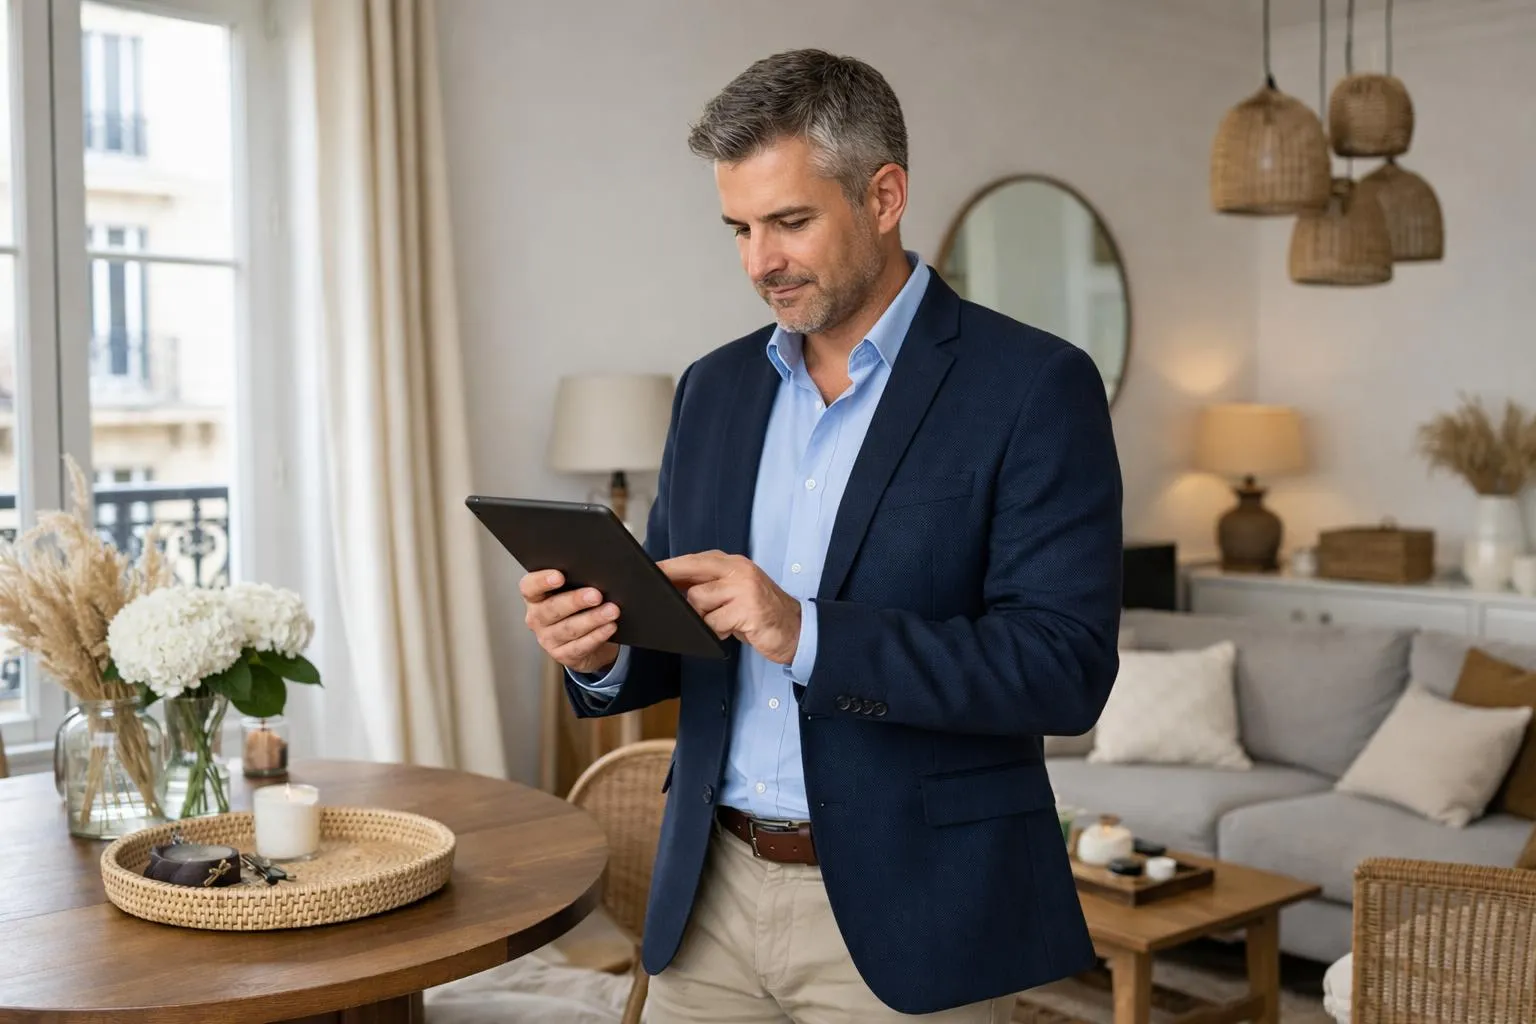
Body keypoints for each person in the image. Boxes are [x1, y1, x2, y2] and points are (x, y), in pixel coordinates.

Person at [520, 48, 1123, 1023]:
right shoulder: (712, 389)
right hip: (706, 900)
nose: (761, 260)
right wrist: (598, 649)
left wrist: (806, 632)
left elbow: (1064, 668)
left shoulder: (1033, 387)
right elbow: (680, 632)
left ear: (884, 196)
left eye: (791, 221)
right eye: (740, 228)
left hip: (915, 918)